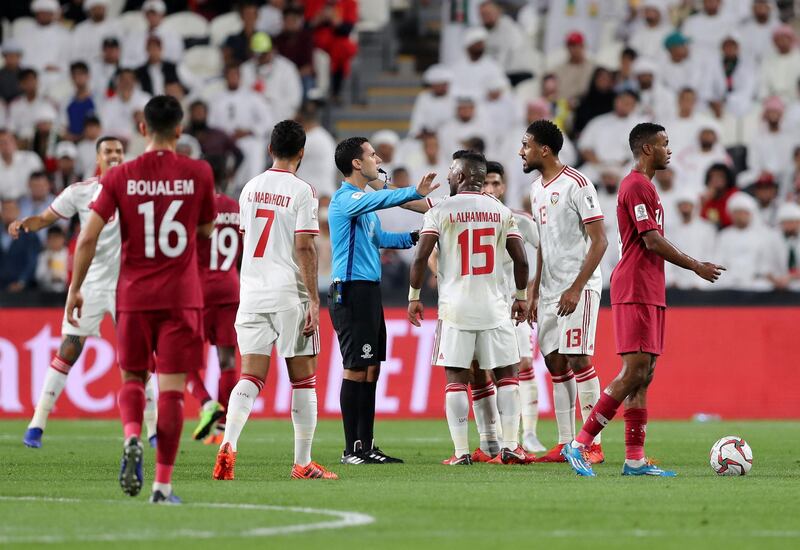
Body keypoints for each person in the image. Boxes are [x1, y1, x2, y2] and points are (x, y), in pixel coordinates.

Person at [66, 96, 216, 503]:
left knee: (133, 378)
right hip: (181, 297)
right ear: (180, 131)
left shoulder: (119, 176)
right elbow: (205, 230)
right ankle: (162, 486)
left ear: (143, 129)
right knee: (169, 392)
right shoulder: (198, 172)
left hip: (132, 296)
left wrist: (76, 288)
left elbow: (88, 237)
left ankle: (132, 434)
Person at [562, 123, 724, 477]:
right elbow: (650, 240)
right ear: (648, 149)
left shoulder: (646, 186)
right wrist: (696, 265)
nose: (669, 149)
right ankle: (579, 444)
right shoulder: (635, 185)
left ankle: (634, 458)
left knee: (645, 375)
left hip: (650, 286)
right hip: (634, 286)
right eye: (665, 144)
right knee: (632, 370)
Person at [10, 137, 159, 448]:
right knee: (69, 349)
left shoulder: (138, 190)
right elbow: (47, 218)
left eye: (119, 151)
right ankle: (37, 423)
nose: (115, 155)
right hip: (89, 285)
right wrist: (26, 224)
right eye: (109, 151)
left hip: (127, 286)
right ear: (98, 157)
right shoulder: (81, 191)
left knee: (139, 358)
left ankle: (154, 430)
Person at [212, 120, 337, 481]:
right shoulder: (303, 191)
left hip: (250, 292)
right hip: (288, 295)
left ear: (270, 150)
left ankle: (229, 442)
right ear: (302, 153)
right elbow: (304, 245)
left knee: (250, 376)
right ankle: (302, 462)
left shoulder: (249, 188)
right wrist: (313, 299)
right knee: (304, 380)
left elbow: (247, 240)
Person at [408, 150, 528, 466]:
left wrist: (414, 296)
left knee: (457, 378)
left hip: (455, 308)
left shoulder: (441, 210)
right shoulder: (501, 211)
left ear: (461, 176)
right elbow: (522, 258)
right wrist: (522, 296)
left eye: (450, 171)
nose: (447, 176)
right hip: (495, 306)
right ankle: (511, 445)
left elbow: (421, 256)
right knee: (507, 376)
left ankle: (461, 452)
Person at [329, 137, 438, 464]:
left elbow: (380, 238)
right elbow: (384, 200)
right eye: (372, 154)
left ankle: (367, 445)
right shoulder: (344, 199)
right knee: (355, 368)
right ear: (357, 164)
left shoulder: (363, 202)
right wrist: (413, 192)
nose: (377, 159)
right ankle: (351, 449)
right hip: (350, 290)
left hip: (368, 289)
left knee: (371, 369)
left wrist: (416, 237)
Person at [523, 119, 607, 464]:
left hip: (579, 285)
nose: (521, 151)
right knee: (556, 363)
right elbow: (542, 243)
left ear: (544, 149)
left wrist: (576, 287)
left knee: (578, 358)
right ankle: (566, 442)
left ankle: (593, 444)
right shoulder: (535, 189)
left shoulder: (578, 183)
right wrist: (534, 288)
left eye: (526, 144)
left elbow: (600, 241)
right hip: (550, 287)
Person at [479, 161, 546, 456]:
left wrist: (533, 289)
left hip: (513, 305)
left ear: (503, 187)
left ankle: (528, 433)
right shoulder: (468, 217)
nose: (491, 189)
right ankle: (494, 438)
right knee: (484, 372)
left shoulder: (518, 218)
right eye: (486, 184)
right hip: (480, 306)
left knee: (522, 364)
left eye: (495, 184)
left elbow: (545, 246)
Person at [0, 199, 41, 291]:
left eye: (11, 210)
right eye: (5, 210)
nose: (8, 213)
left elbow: (32, 261)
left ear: (18, 212)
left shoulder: (29, 234)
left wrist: (21, 281)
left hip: (23, 290)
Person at [35, 225, 69, 292]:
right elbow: (38, 277)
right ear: (47, 240)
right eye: (51, 238)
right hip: (47, 293)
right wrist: (47, 268)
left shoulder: (68, 254)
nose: (54, 241)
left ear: (63, 239)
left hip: (66, 292)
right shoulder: (43, 256)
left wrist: (61, 278)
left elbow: (72, 274)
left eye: (57, 238)